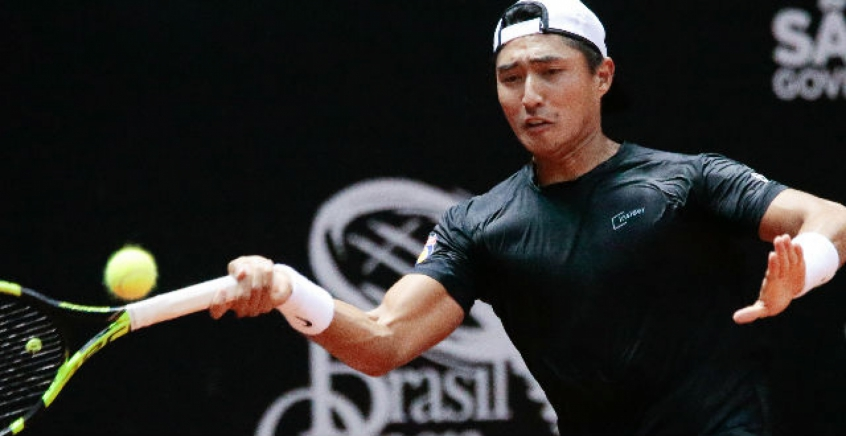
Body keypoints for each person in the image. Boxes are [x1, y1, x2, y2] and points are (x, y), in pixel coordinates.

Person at [209, 0, 846, 434]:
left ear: (602, 76)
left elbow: (832, 219)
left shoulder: (687, 180)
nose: (530, 96)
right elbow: (383, 341)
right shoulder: (480, 226)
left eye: (550, 72)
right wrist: (290, 292)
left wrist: (806, 268)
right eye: (510, 77)